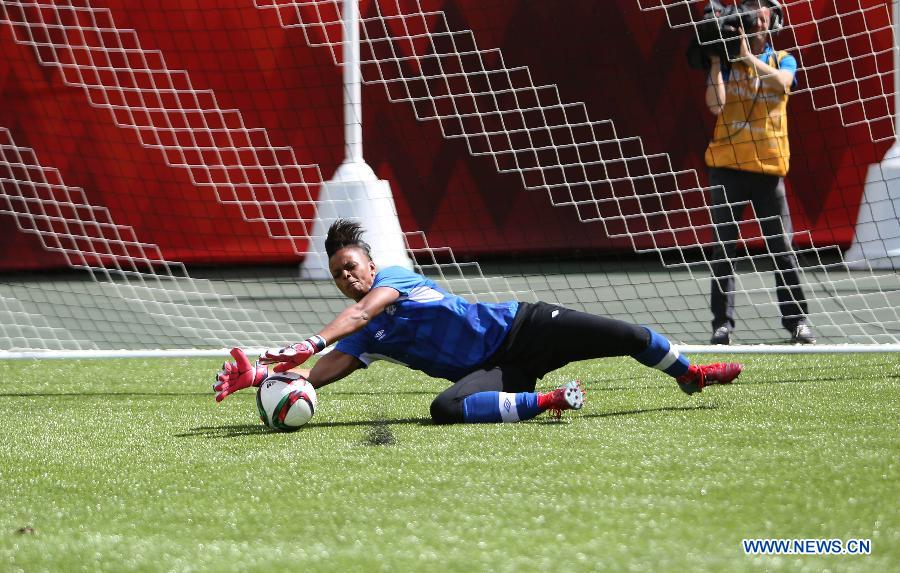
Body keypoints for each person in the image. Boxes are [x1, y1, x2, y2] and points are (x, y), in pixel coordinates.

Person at [214, 220, 743, 424]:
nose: (346, 278)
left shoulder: (395, 279)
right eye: (336, 275)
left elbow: (358, 313)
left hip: (524, 326)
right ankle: (552, 400)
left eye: (351, 267)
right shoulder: (368, 339)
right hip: (499, 367)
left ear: (371, 266)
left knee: (627, 336)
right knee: (445, 407)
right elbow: (323, 369)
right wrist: (263, 378)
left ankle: (689, 375)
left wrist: (307, 341)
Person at [703, 0, 815, 345]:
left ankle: (796, 321)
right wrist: (715, 60)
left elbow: (784, 82)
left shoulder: (782, 59)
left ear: (773, 19)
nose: (754, 12)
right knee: (723, 248)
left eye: (761, 6)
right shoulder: (727, 63)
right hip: (727, 168)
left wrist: (750, 59)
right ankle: (722, 324)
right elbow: (715, 105)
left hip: (768, 169)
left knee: (782, 248)